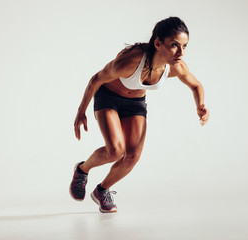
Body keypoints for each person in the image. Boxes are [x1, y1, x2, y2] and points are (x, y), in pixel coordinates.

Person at [70, 16, 210, 213]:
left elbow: (195, 85)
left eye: (185, 46)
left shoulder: (175, 67)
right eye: (175, 45)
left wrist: (200, 104)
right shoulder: (131, 61)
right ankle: (82, 170)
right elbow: (96, 79)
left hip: (135, 104)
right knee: (115, 150)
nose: (181, 52)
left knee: (133, 156)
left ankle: (102, 190)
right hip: (108, 98)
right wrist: (81, 111)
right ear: (158, 43)